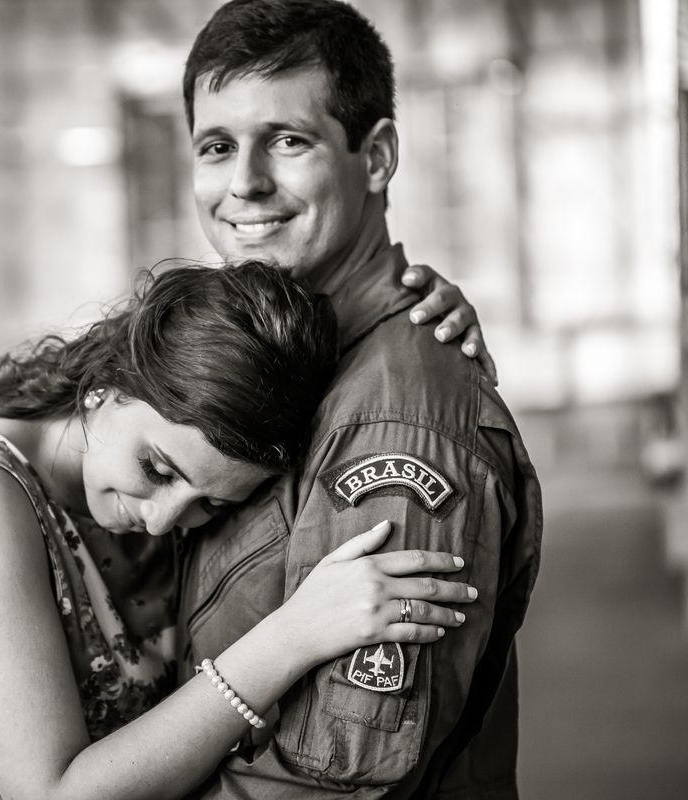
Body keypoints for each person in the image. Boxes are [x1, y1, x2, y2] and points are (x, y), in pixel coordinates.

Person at [0, 263, 480, 800]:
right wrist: (294, 636)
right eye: (156, 469)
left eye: (208, 503)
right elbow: (53, 793)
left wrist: (418, 318)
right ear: (106, 387)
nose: (162, 521)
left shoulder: (145, 495)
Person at [175, 1, 542, 798]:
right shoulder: (267, 354)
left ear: (375, 158)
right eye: (217, 146)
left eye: (288, 140)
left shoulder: (394, 422)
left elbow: (331, 781)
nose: (244, 184)